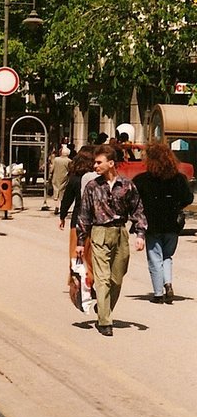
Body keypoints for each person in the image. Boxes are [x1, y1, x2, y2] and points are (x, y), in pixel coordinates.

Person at [76, 144, 147, 337]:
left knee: (117, 277)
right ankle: (105, 321)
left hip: (120, 233)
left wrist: (140, 234)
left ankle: (103, 306)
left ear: (111, 163)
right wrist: (81, 241)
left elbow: (137, 210)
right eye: (95, 162)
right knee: (103, 279)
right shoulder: (92, 186)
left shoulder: (127, 185)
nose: (95, 165)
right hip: (99, 232)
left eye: (99, 162)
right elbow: (84, 215)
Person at [133, 143, 193, 304]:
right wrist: (175, 205)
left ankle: (158, 293)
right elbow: (188, 198)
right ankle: (168, 282)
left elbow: (133, 201)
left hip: (151, 224)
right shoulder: (179, 178)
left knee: (154, 257)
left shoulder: (142, 180)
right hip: (173, 224)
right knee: (167, 256)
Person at [59, 146, 97, 297]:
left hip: (77, 221)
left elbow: (67, 199)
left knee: (75, 253)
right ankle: (92, 281)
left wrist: (62, 216)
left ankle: (76, 282)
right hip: (94, 222)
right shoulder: (96, 179)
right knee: (91, 254)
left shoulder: (75, 179)